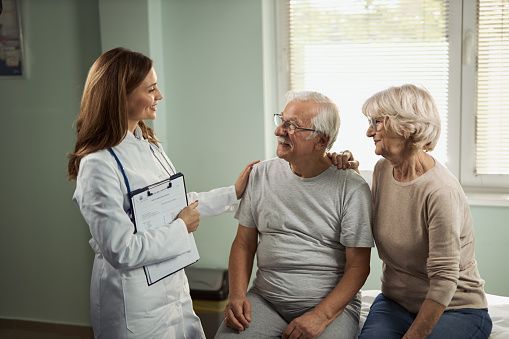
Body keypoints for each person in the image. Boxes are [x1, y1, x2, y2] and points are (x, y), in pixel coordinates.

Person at [67, 47, 257, 339]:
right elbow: (121, 250)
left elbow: (173, 204)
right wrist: (182, 228)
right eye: (151, 88)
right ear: (121, 95)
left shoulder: (148, 144)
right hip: (133, 300)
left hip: (171, 285)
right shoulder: (97, 165)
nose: (160, 95)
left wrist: (232, 193)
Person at [333, 84, 492, 338]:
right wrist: (345, 175)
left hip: (455, 308)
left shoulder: (440, 191)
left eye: (376, 122)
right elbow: (378, 216)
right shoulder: (382, 170)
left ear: (406, 126)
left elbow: (444, 279)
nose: (368, 131)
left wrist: (414, 335)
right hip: (396, 304)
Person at [214, 91, 374, 339]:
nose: (279, 131)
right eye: (282, 121)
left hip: (329, 307)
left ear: (321, 141)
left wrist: (320, 316)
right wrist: (237, 294)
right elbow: (244, 244)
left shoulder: (351, 188)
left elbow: (358, 266)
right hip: (267, 300)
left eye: (293, 126)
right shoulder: (261, 174)